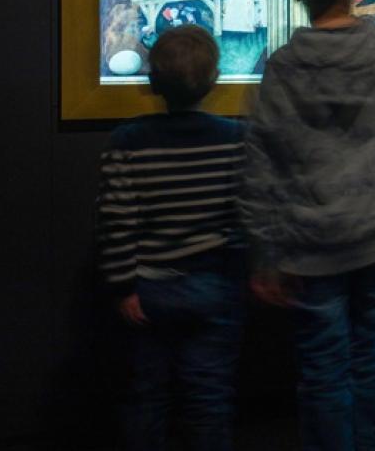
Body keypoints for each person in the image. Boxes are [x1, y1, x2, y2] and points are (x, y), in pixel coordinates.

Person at [240, 0, 375, 451]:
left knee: (323, 368)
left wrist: (263, 251)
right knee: (366, 353)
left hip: (311, 246)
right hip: (373, 236)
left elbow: (262, 165)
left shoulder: (284, 67)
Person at [95, 25, 247, 451]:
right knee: (209, 396)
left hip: (148, 289)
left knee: (146, 394)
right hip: (213, 286)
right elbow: (245, 213)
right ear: (214, 80)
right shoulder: (234, 138)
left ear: (152, 80)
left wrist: (122, 286)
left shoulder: (127, 141)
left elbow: (115, 222)